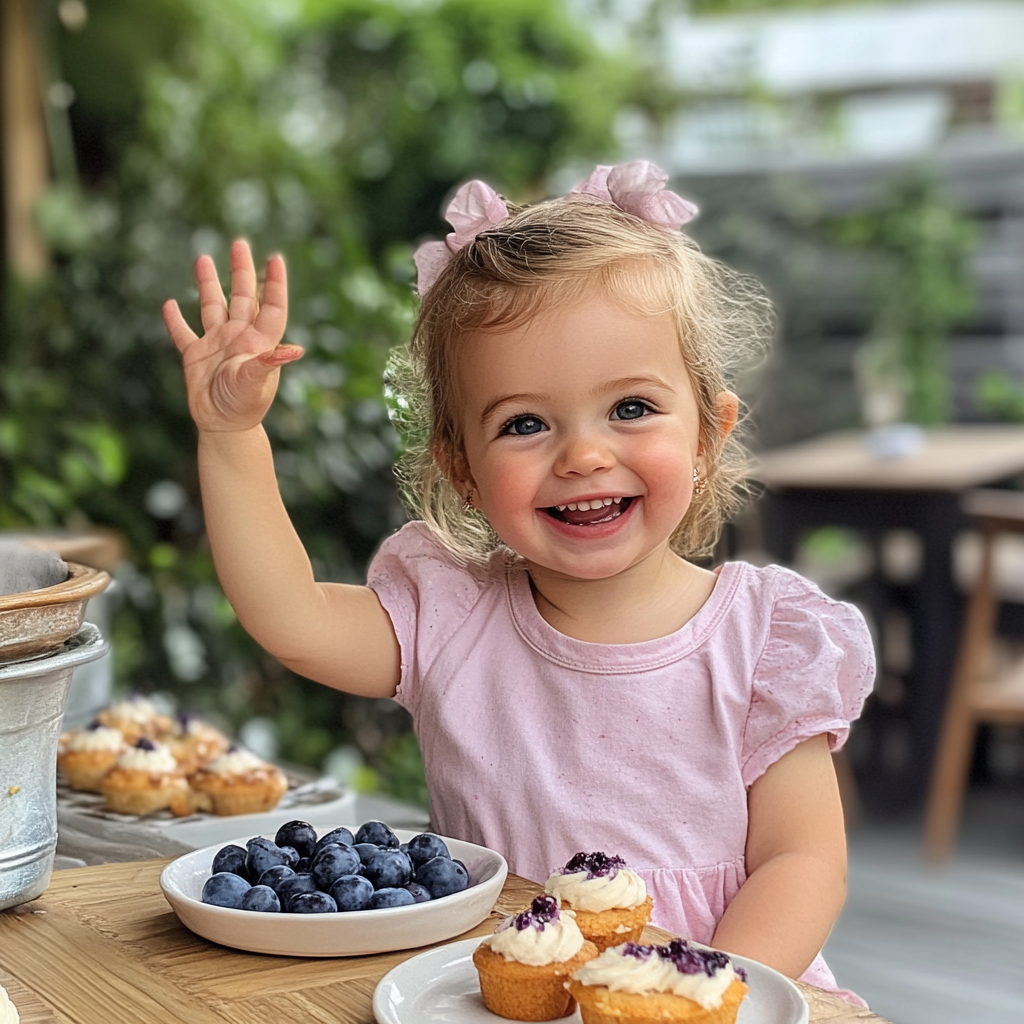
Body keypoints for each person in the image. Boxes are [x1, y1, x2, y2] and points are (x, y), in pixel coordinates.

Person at [163, 161, 874, 1003]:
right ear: (460, 470)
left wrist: (692, 993)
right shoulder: (452, 620)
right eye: (525, 423)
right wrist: (232, 437)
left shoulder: (765, 640)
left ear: (707, 435)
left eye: (632, 408)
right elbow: (291, 617)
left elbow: (804, 862)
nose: (582, 455)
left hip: (728, 993)